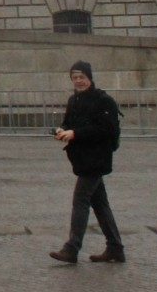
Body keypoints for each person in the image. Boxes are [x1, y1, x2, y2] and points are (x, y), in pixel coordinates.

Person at [49, 60, 126, 264]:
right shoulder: (74, 100)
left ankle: (72, 248)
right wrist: (61, 130)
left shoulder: (103, 100)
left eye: (82, 77)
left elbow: (106, 130)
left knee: (80, 200)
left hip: (97, 159)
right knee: (100, 204)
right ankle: (115, 248)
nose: (79, 81)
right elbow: (68, 122)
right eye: (75, 78)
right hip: (82, 158)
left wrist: (75, 133)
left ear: (90, 77)